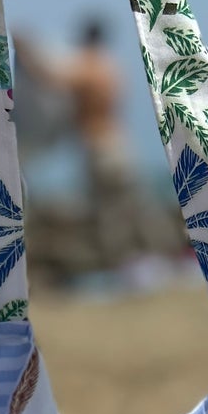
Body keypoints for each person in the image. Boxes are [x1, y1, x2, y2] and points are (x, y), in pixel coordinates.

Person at [14, 17, 151, 269]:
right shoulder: (111, 66)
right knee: (124, 209)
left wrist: (24, 48)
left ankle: (123, 270)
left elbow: (49, 76)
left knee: (109, 213)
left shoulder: (88, 66)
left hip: (99, 147)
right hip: (120, 143)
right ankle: (134, 266)